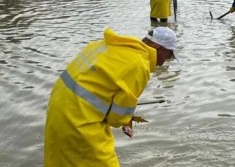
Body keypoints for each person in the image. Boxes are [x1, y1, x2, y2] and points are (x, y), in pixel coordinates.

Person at [44, 27, 178, 166]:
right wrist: (126, 117)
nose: (162, 63)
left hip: (57, 108)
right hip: (78, 120)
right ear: (160, 48)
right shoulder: (139, 65)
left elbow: (95, 85)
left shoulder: (107, 44)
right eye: (168, 57)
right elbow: (115, 119)